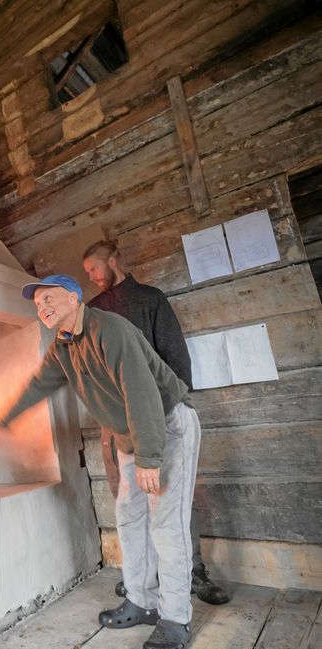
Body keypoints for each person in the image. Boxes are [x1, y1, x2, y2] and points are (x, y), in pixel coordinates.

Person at [0, 274, 201, 649]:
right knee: (129, 517)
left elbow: (141, 391)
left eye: (50, 298)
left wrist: (149, 458)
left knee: (166, 524)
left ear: (74, 298)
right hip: (131, 434)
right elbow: (42, 383)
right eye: (38, 303)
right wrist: (8, 416)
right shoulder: (64, 346)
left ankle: (175, 618)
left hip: (165, 427)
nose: (43, 307)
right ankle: (141, 601)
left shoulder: (110, 329)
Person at [82, 239, 228, 606]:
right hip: (116, 424)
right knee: (129, 501)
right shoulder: (93, 311)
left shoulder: (150, 299)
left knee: (172, 496)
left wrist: (166, 410)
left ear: (113, 260)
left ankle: (192, 572)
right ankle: (142, 579)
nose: (92, 277)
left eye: (95, 268)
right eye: (86, 273)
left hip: (159, 414)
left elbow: (176, 360)